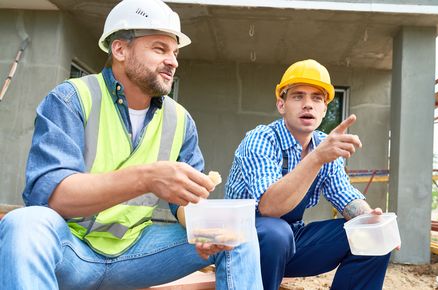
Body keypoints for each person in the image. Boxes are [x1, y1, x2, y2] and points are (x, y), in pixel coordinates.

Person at [0, 0, 262, 289]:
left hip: (138, 253)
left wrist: (203, 233)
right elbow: (52, 197)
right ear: (120, 50)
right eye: (160, 49)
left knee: (238, 232)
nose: (173, 61)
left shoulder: (179, 120)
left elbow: (187, 203)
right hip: (72, 249)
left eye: (175, 52)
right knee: (23, 224)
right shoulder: (72, 99)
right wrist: (147, 178)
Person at [225, 59, 392, 290]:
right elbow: (269, 207)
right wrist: (316, 158)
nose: (308, 105)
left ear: (324, 109)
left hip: (291, 242)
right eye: (297, 96)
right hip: (242, 244)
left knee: (372, 236)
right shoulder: (261, 139)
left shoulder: (323, 144)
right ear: (281, 104)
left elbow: (343, 194)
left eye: (316, 98)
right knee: (276, 234)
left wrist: (371, 219)